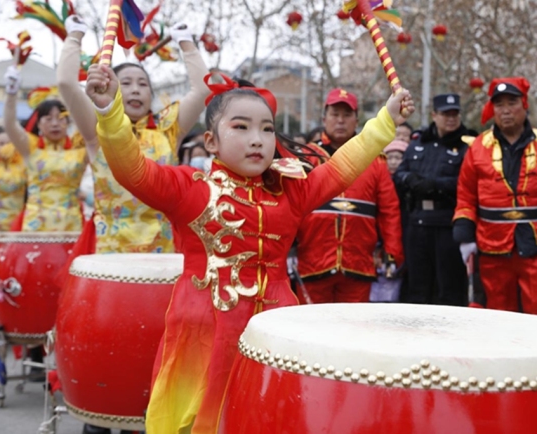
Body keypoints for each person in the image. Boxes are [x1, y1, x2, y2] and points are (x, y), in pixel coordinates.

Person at [85, 63, 414, 432]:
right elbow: (132, 169)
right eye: (241, 127)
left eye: (267, 129)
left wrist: (385, 119)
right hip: (204, 335)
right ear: (211, 142)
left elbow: (342, 167)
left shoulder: (292, 190)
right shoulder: (191, 189)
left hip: (275, 333)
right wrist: (109, 113)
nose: (257, 139)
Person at [57, 16, 209, 254]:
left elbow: (203, 91)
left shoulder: (167, 131)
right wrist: (75, 35)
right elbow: (66, 83)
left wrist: (187, 43)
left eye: (143, 84)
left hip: (165, 258)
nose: (136, 89)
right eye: (126, 83)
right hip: (108, 261)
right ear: (111, 87)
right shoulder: (97, 130)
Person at [454, 77, 537, 316]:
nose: (506, 110)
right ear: (492, 109)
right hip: (492, 245)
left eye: (512, 102)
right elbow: (466, 197)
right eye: (499, 105)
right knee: (498, 314)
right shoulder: (478, 147)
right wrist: (464, 237)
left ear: (525, 105)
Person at [295, 88, 404, 303]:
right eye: (335, 115)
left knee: (353, 330)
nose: (341, 121)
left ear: (357, 119)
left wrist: (392, 252)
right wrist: (287, 250)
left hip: (359, 261)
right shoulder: (306, 157)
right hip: (312, 260)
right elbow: (289, 206)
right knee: (309, 328)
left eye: (347, 115)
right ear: (324, 118)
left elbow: (389, 210)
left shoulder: (375, 161)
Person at [394, 93, 476, 306]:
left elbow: (468, 183)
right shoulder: (419, 143)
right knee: (417, 289)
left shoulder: (467, 146)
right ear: (434, 115)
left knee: (449, 290)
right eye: (445, 114)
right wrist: (411, 179)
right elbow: (399, 174)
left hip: (447, 224)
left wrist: (436, 185)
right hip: (417, 224)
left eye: (455, 114)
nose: (451, 118)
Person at [3, 77, 86, 232]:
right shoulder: (30, 148)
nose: (55, 123)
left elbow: (93, 123)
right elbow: (9, 124)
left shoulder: (80, 149)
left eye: (61, 119)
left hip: (71, 226)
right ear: (39, 124)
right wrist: (11, 92)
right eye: (48, 119)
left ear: (68, 122)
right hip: (35, 227)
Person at [0, 127, 26, 232]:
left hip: (18, 222)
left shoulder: (23, 166)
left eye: (9, 143)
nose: (6, 147)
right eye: (1, 144)